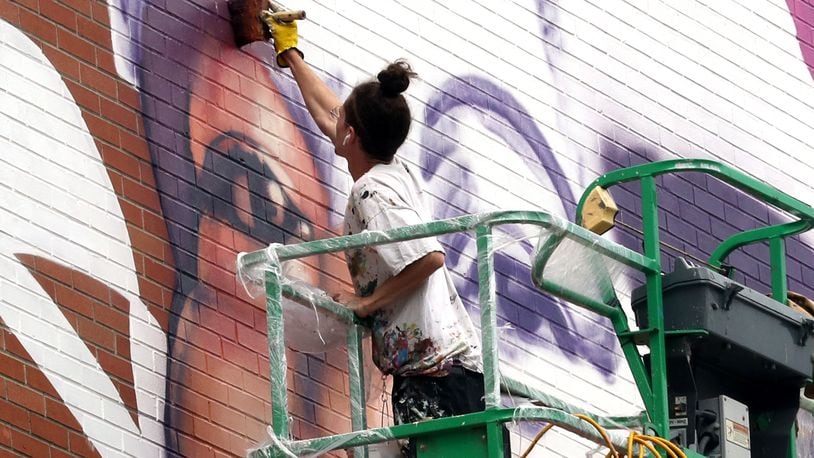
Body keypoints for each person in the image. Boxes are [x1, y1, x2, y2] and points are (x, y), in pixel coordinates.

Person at [265, 15, 507, 457]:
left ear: (351, 136)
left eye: (343, 121)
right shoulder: (391, 170)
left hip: (436, 376)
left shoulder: (371, 191)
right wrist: (291, 54)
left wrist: (367, 303)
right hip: (451, 367)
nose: (334, 121)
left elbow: (429, 258)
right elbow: (329, 113)